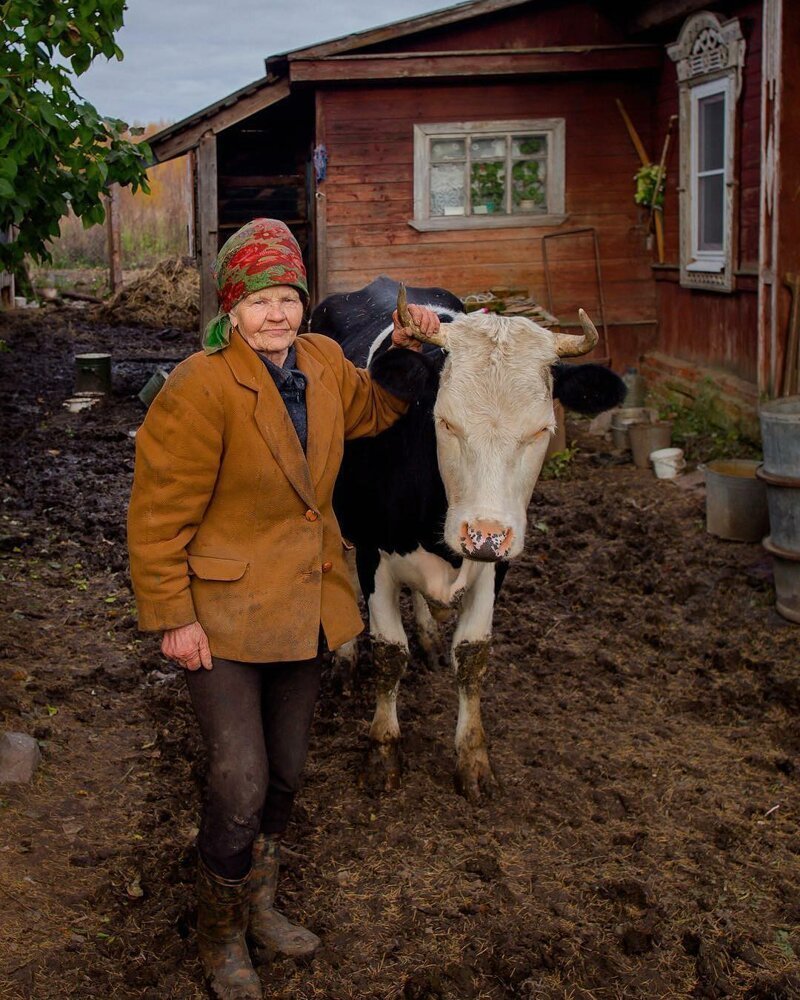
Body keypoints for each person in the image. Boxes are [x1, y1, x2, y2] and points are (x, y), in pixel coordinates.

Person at [127, 218, 440, 999]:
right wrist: (175, 617)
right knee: (240, 781)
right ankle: (219, 935)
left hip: (305, 603)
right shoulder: (198, 387)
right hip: (223, 615)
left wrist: (406, 353)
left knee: (289, 773)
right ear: (231, 308)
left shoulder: (325, 362)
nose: (278, 315)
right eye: (260, 300)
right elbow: (157, 517)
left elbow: (377, 412)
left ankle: (260, 905)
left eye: (289, 298)